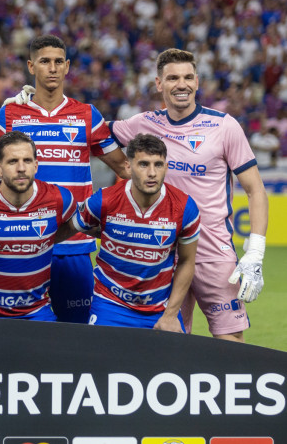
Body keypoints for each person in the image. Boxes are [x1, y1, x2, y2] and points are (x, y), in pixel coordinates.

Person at [109, 49, 268, 342]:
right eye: (172, 78)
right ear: (159, 84)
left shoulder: (224, 126)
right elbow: (93, 132)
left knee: (231, 344)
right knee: (168, 345)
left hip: (213, 254)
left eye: (187, 77)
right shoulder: (143, 124)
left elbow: (255, 189)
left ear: (197, 81)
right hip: (163, 255)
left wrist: (255, 252)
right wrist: (31, 109)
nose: (181, 84)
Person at [0, 35, 129, 324]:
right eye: (45, 61)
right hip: (23, 243)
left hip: (74, 244)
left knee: (76, 331)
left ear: (68, 66)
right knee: (19, 330)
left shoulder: (87, 115)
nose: (53, 68)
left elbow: (124, 167)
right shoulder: (10, 113)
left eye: (59, 62)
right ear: (31, 66)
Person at [59, 134, 200, 331]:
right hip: (110, 305)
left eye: (158, 165)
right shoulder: (105, 200)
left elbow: (186, 262)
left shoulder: (184, 208)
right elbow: (67, 228)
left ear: (166, 167)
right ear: (128, 166)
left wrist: (170, 314)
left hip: (160, 310)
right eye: (143, 164)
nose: (152, 173)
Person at [0, 131, 75, 320]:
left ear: (36, 165)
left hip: (36, 312)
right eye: (12, 161)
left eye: (27, 161)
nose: (21, 168)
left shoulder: (60, 199)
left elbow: (81, 225)